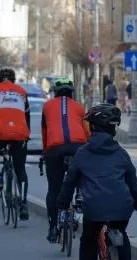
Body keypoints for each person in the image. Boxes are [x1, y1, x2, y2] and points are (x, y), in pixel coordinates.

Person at [56, 103, 137, 260]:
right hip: (122, 206)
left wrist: (62, 204)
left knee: (88, 240)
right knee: (120, 233)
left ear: (93, 127)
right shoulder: (121, 153)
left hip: (94, 207)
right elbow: (132, 181)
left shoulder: (83, 153)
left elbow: (69, 182)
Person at [42, 78, 90, 243]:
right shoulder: (79, 107)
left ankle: (53, 227)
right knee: (81, 176)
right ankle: (80, 195)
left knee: (54, 189)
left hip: (55, 148)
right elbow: (87, 132)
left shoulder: (47, 106)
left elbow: (45, 131)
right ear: (72, 92)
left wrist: (45, 151)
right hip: (78, 147)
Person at [0, 67, 31, 220]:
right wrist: (25, 135)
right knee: (20, 169)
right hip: (20, 134)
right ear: (14, 80)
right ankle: (23, 203)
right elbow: (27, 117)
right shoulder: (22, 92)